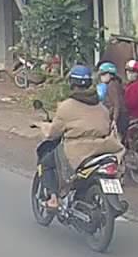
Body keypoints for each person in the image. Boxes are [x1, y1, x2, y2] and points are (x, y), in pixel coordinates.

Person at [39, 64, 125, 211]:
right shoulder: (101, 107)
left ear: (72, 83)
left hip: (77, 151)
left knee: (46, 163)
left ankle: (53, 199)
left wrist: (44, 128)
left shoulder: (66, 106)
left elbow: (54, 132)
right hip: (104, 148)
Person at [97, 61, 130, 137]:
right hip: (122, 115)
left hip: (120, 117)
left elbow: (116, 104)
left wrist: (114, 120)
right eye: (101, 75)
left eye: (104, 74)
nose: (101, 77)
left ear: (111, 75)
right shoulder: (116, 83)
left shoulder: (112, 85)